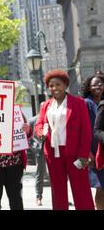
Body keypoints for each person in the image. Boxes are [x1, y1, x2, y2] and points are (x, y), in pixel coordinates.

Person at [35, 70, 95, 210]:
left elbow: (86, 131)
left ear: (65, 85)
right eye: (51, 85)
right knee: (57, 192)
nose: (54, 88)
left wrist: (83, 154)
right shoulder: (46, 105)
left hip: (75, 153)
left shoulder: (78, 103)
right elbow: (39, 124)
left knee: (81, 190)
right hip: (52, 153)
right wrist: (40, 133)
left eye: (58, 84)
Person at [0, 109, 32, 210]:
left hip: (15, 163)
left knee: (15, 198)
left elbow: (26, 133)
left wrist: (28, 131)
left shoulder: (16, 112)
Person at [82, 73, 104, 209]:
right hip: (95, 152)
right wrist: (87, 151)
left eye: (101, 84)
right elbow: (85, 129)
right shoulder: (86, 103)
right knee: (100, 188)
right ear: (89, 87)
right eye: (94, 84)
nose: (98, 86)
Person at [28, 113, 48, 206]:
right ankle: (38, 197)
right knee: (40, 173)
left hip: (52, 149)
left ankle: (61, 197)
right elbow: (28, 137)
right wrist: (35, 148)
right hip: (40, 151)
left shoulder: (51, 118)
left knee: (57, 174)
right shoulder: (33, 120)